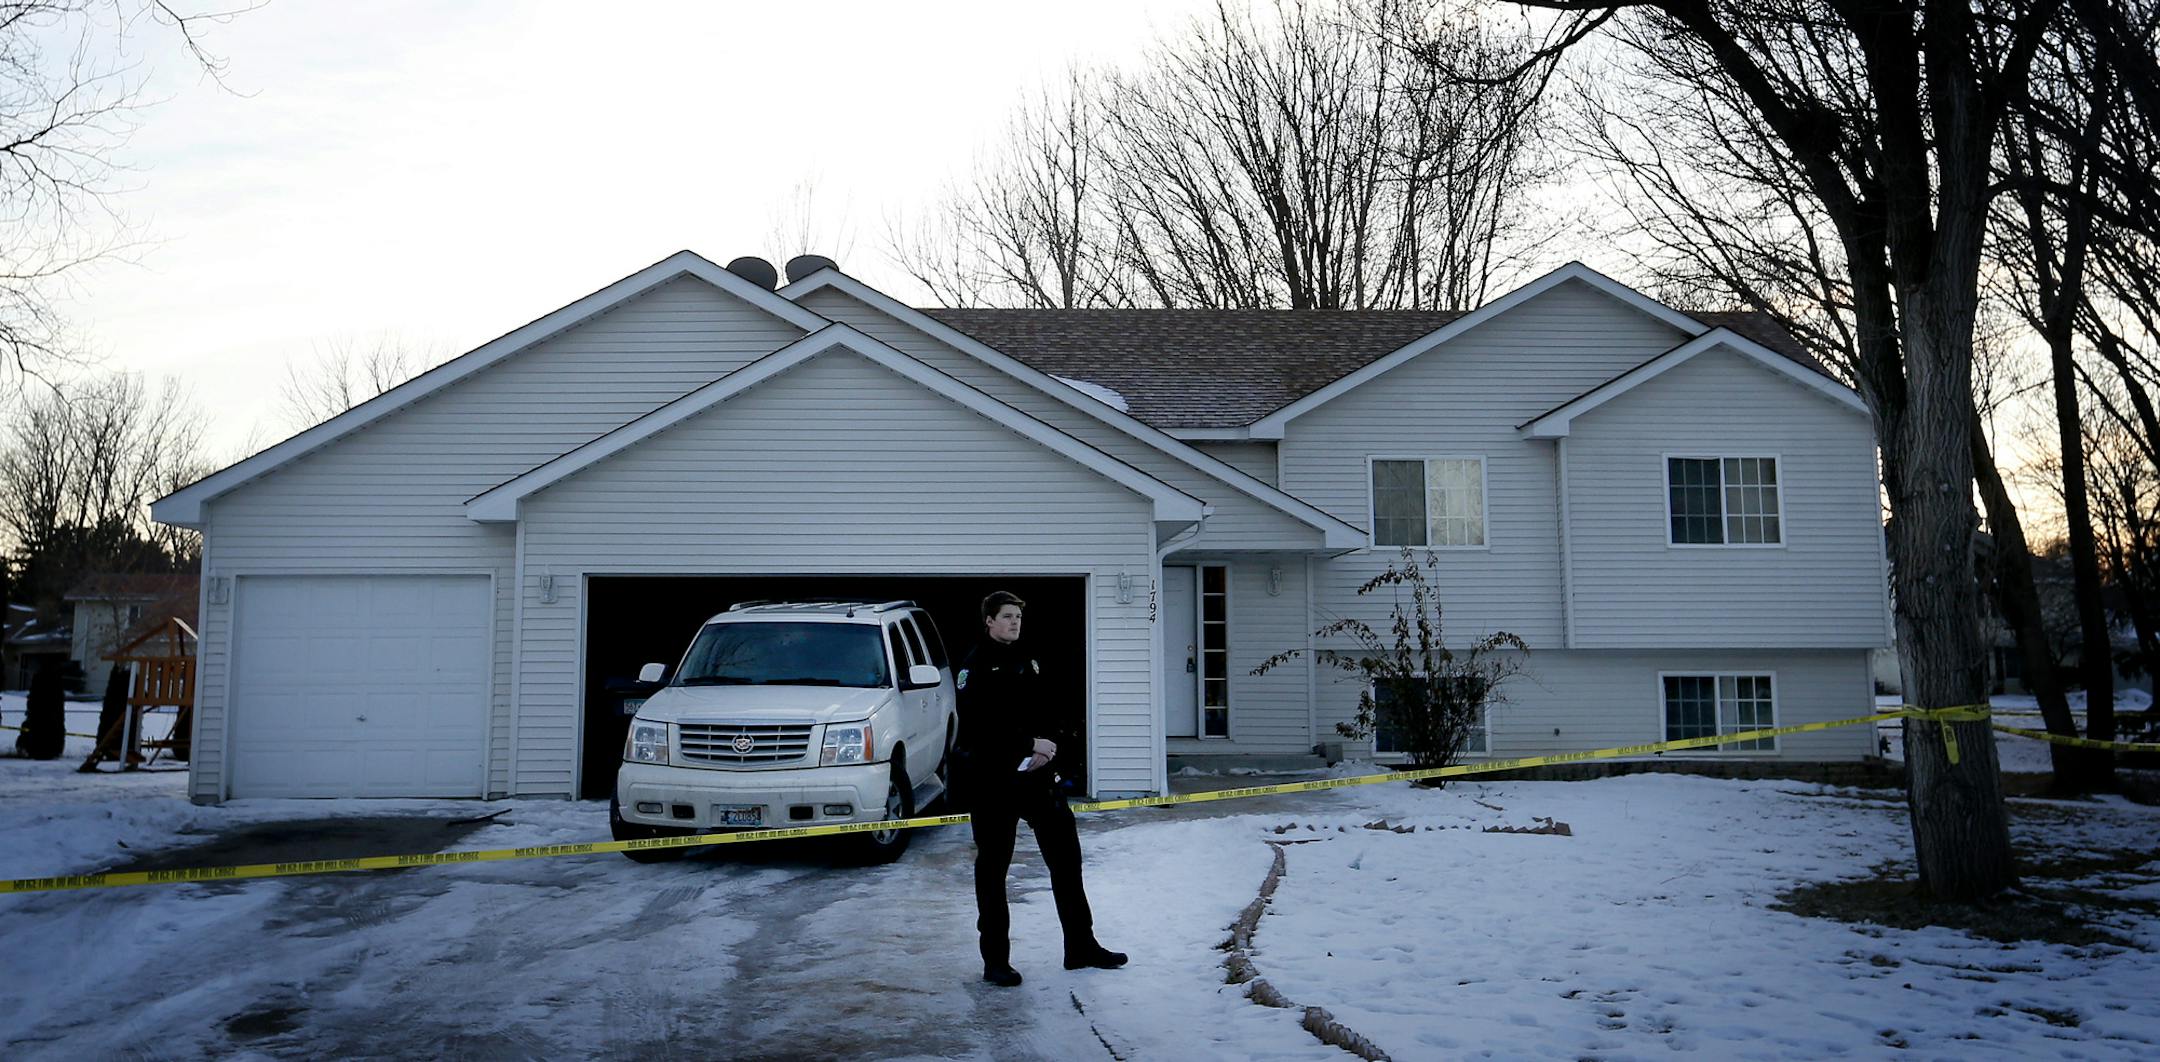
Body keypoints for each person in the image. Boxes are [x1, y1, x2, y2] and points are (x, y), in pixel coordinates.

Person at [956, 590, 1126, 988]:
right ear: (989, 621)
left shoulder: (1027, 659)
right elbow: (977, 727)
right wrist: (1026, 745)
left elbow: (1049, 709)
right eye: (1007, 616)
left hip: (1037, 777)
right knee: (994, 871)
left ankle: (1081, 946)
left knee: (1067, 859)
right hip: (993, 782)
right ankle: (996, 961)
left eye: (1018, 616)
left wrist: (1048, 747)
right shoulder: (975, 665)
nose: (1015, 622)